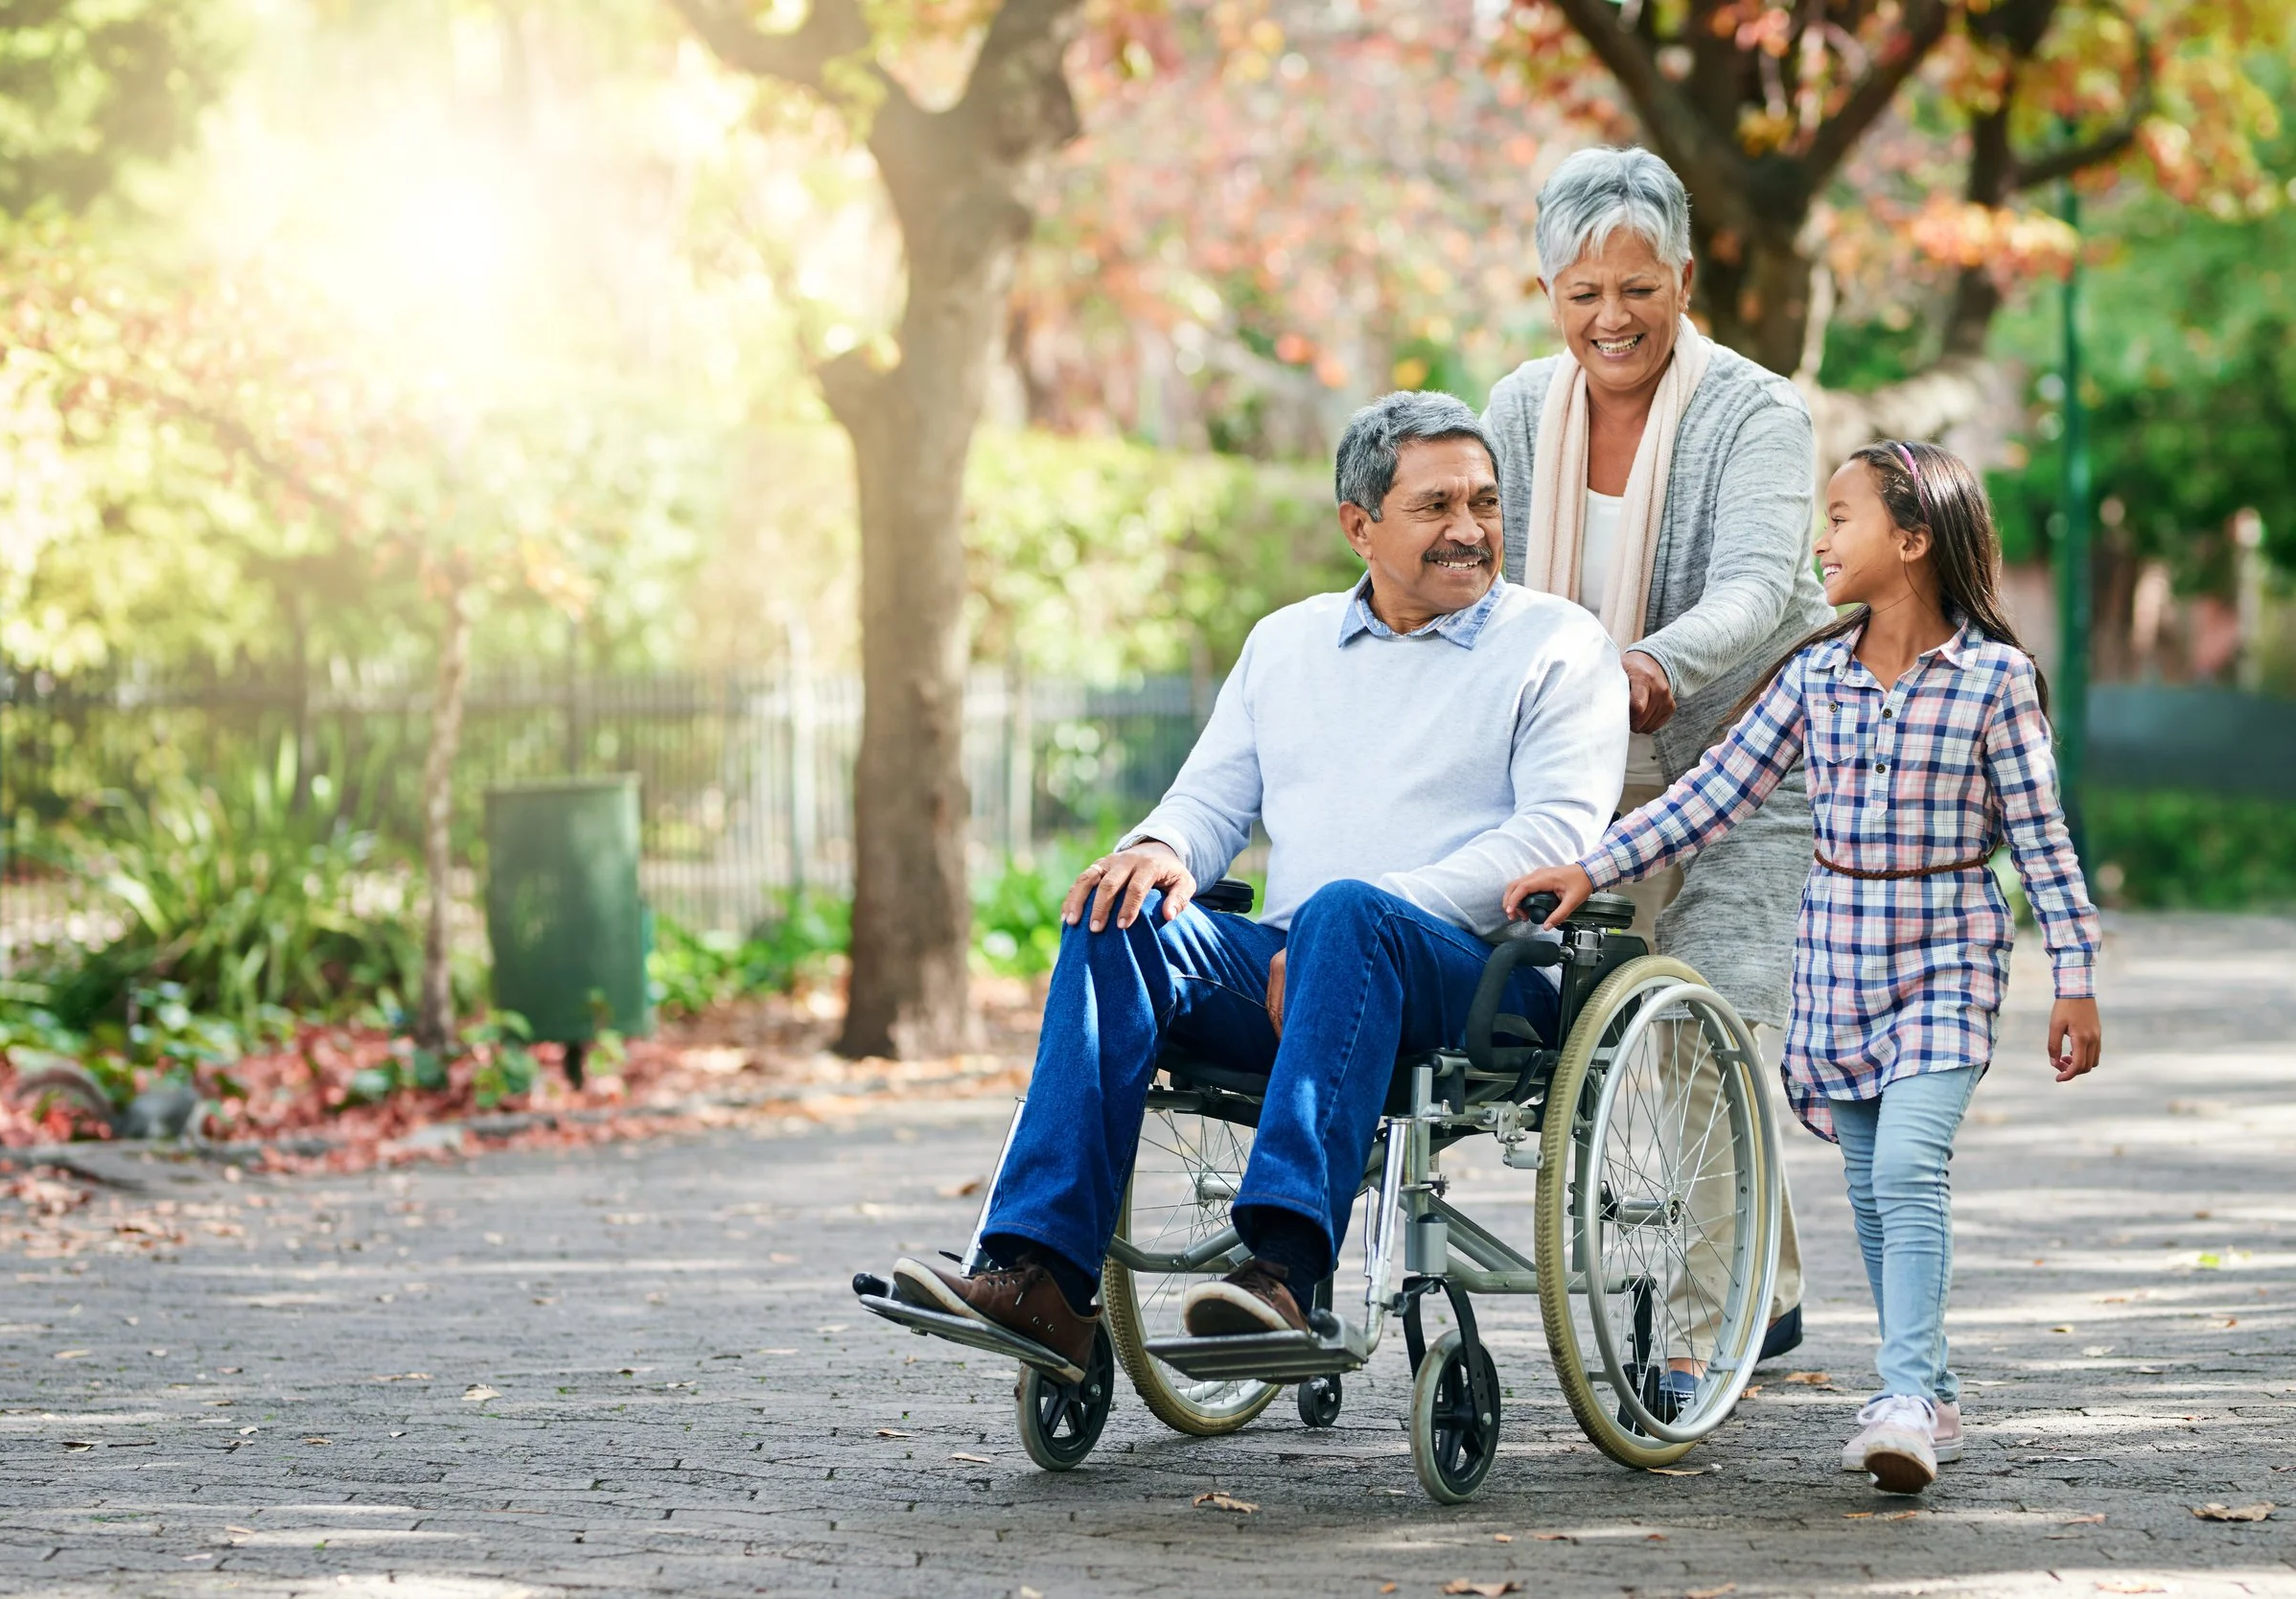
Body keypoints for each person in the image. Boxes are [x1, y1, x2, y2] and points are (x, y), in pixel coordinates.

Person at [883, 391, 1628, 1377]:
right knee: (1119, 914)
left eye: (1484, 504)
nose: (1469, 529)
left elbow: (1552, 838)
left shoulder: (1559, 644)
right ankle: (1038, 1276)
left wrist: (1360, 918)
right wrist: (1157, 851)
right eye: (1435, 506)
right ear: (1357, 526)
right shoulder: (1285, 643)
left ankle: (1282, 1271)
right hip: (1297, 966)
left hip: (1473, 980)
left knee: (1345, 913)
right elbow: (1207, 804)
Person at [1504, 439, 2102, 1495]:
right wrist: (1588, 866)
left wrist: (2074, 971)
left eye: (1841, 517)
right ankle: (1934, 1389)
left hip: (1946, 955)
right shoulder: (1813, 675)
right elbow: (1711, 796)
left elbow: (2041, 838)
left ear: (1912, 541)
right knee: (1873, 1189)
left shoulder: (1995, 680)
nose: (1819, 539)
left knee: (1911, 1167)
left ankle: (1905, 1396)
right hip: (1833, 956)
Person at [1480, 145, 1828, 1379]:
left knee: (1701, 1033)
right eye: (1583, 295)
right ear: (1548, 297)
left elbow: (1754, 587)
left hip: (1748, 773)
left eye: (1638, 289)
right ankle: (1758, 1290)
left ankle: (1690, 1344)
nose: (1611, 319)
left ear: (1683, 278)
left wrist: (1650, 664)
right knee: (1621, 1043)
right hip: (1582, 776)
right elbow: (1483, 571)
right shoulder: (1518, 410)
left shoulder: (1757, 412)